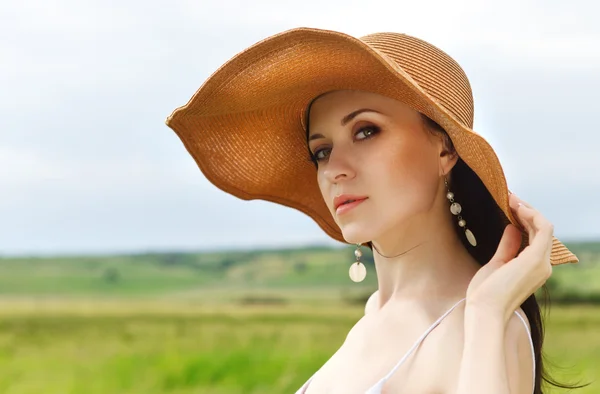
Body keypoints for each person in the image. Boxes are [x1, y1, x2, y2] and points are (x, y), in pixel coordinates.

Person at [166, 28, 584, 394]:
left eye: (366, 131)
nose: (334, 170)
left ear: (445, 148)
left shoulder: (490, 325)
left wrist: (489, 312)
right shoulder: (369, 318)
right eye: (321, 151)